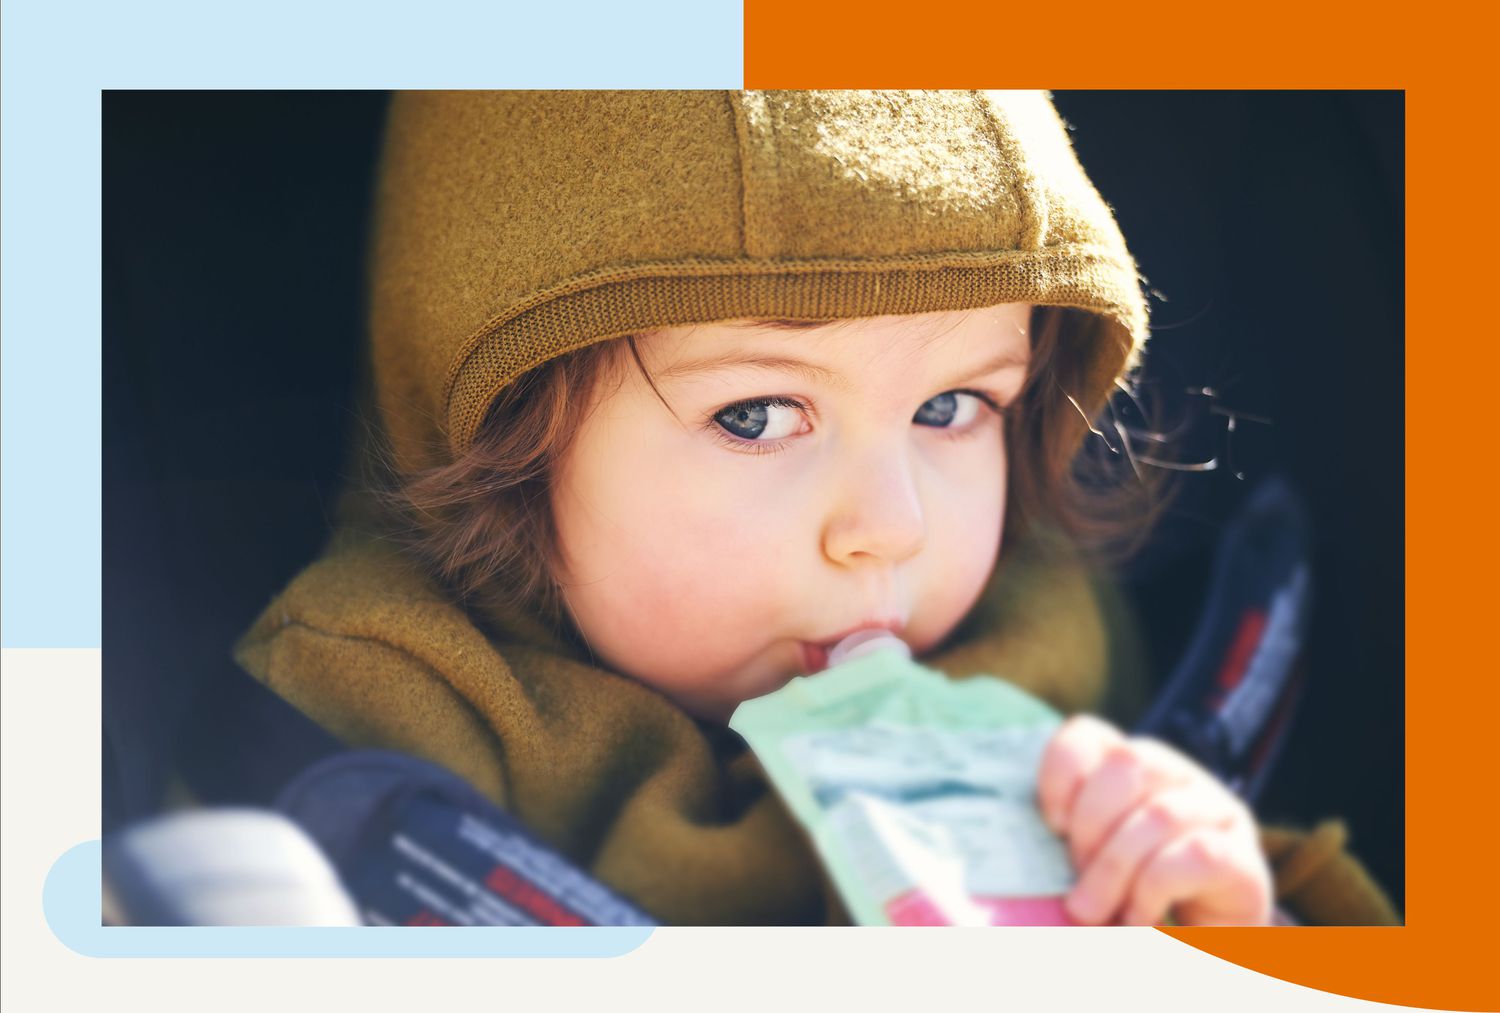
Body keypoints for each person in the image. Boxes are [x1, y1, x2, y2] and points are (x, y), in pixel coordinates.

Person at [234, 90, 1397, 925]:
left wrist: (1223, 921)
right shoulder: (375, 714)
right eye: (755, 416)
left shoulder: (1043, 656)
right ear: (500, 444)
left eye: (951, 407)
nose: (889, 526)